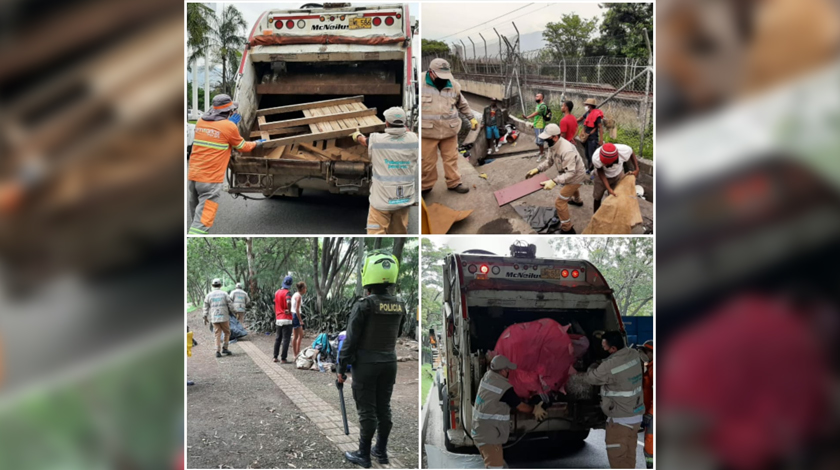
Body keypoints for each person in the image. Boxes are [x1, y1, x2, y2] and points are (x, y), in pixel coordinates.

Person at [338, 251, 406, 468]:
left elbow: (350, 340)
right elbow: (397, 334)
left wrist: (341, 367)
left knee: (367, 409)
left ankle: (364, 455)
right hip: (389, 363)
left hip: (367, 365)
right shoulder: (399, 305)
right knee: (383, 407)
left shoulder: (364, 305)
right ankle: (381, 452)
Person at [188, 94, 264, 235]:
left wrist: (230, 126)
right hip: (210, 181)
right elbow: (243, 147)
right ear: (229, 112)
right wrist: (256, 143)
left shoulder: (200, 122)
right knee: (203, 221)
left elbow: (216, 133)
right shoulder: (228, 127)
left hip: (193, 177)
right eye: (232, 110)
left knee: (196, 214)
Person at [583, 331, 646, 469]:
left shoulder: (609, 365)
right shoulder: (634, 354)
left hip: (620, 421)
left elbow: (591, 378)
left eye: (604, 346)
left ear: (613, 349)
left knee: (618, 463)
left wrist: (593, 366)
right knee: (629, 460)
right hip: (636, 417)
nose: (603, 348)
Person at [471, 355, 547, 469]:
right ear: (502, 371)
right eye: (507, 370)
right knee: (496, 467)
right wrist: (535, 409)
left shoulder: (487, 377)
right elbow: (520, 406)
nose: (508, 372)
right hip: (489, 437)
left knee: (501, 466)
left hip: (480, 431)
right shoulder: (504, 388)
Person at [350, 107, 417, 234]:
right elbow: (407, 132)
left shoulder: (376, 140)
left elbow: (363, 141)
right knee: (399, 232)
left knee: (374, 232)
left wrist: (357, 135)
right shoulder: (413, 139)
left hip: (381, 201)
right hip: (403, 199)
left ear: (386, 123)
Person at [420, 58, 476, 195]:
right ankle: (425, 186)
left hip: (449, 130)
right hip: (428, 132)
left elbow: (462, 104)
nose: (443, 79)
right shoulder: (419, 82)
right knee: (427, 162)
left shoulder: (454, 85)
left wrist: (471, 118)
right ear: (431, 72)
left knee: (451, 159)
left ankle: (454, 182)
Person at [524, 123, 586, 234]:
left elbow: (571, 174)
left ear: (555, 137)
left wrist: (554, 181)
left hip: (576, 175)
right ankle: (577, 201)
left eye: (547, 138)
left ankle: (568, 229)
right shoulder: (552, 145)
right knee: (570, 189)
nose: (545, 141)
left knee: (560, 202)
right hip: (569, 172)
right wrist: (537, 169)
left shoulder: (566, 150)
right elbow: (549, 161)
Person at [591, 143, 640, 214]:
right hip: (601, 177)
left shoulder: (624, 151)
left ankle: (612, 216)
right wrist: (608, 188)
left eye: (607, 164)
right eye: (603, 163)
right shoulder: (596, 158)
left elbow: (631, 152)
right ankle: (595, 216)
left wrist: (637, 168)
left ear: (615, 159)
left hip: (618, 175)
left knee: (616, 198)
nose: (605, 165)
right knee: (597, 197)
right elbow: (600, 171)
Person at [203, 278, 235, 358]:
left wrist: (205, 316)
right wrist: (233, 312)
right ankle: (225, 348)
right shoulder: (224, 294)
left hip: (214, 318)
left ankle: (217, 351)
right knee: (227, 332)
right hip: (224, 317)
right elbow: (230, 304)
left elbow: (205, 306)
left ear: (213, 285)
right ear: (220, 285)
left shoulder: (209, 295)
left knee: (217, 334)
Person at [577, 98, 604, 172]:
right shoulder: (588, 113)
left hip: (592, 138)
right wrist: (571, 120)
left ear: (590, 106)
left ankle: (592, 170)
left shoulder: (596, 115)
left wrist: (601, 140)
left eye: (586, 104)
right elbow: (580, 118)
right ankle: (589, 169)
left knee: (592, 155)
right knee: (587, 154)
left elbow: (600, 127)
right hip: (586, 137)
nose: (585, 106)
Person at [273, 275, 294, 364]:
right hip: (287, 319)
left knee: (278, 338)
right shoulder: (288, 293)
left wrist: (276, 314)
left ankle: (275, 357)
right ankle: (283, 358)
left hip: (279, 318)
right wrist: (289, 310)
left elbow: (274, 304)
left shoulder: (277, 292)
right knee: (286, 339)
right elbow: (288, 301)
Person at [522, 93, 549, 159]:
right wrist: (534, 124)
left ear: (541, 98)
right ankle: (541, 152)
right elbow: (537, 117)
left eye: (537, 96)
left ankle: (542, 153)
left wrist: (527, 117)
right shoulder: (538, 105)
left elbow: (536, 113)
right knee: (538, 141)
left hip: (540, 125)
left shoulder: (543, 106)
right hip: (537, 125)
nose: (536, 97)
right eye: (535, 96)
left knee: (539, 141)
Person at [640, 340, 653, 469]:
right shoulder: (650, 367)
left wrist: (651, 413)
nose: (644, 354)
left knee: (651, 439)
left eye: (645, 352)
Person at [291, 281, 307, 359]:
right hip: (296, 316)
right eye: (305, 288)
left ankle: (298, 352)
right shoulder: (298, 296)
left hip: (294, 315)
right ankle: (295, 354)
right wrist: (300, 320)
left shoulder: (296, 294)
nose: (306, 290)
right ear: (303, 288)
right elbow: (297, 309)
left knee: (300, 335)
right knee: (296, 336)